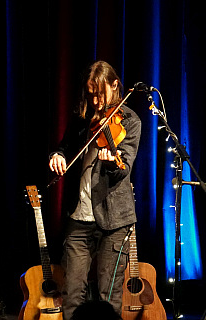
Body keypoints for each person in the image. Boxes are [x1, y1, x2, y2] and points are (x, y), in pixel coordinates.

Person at [49, 61, 141, 319]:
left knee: (107, 298)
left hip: (114, 221)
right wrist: (56, 156)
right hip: (79, 219)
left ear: (115, 86)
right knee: (72, 295)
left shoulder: (130, 121)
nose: (96, 100)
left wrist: (113, 161)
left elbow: (124, 168)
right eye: (90, 94)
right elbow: (64, 146)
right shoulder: (82, 117)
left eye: (101, 93)